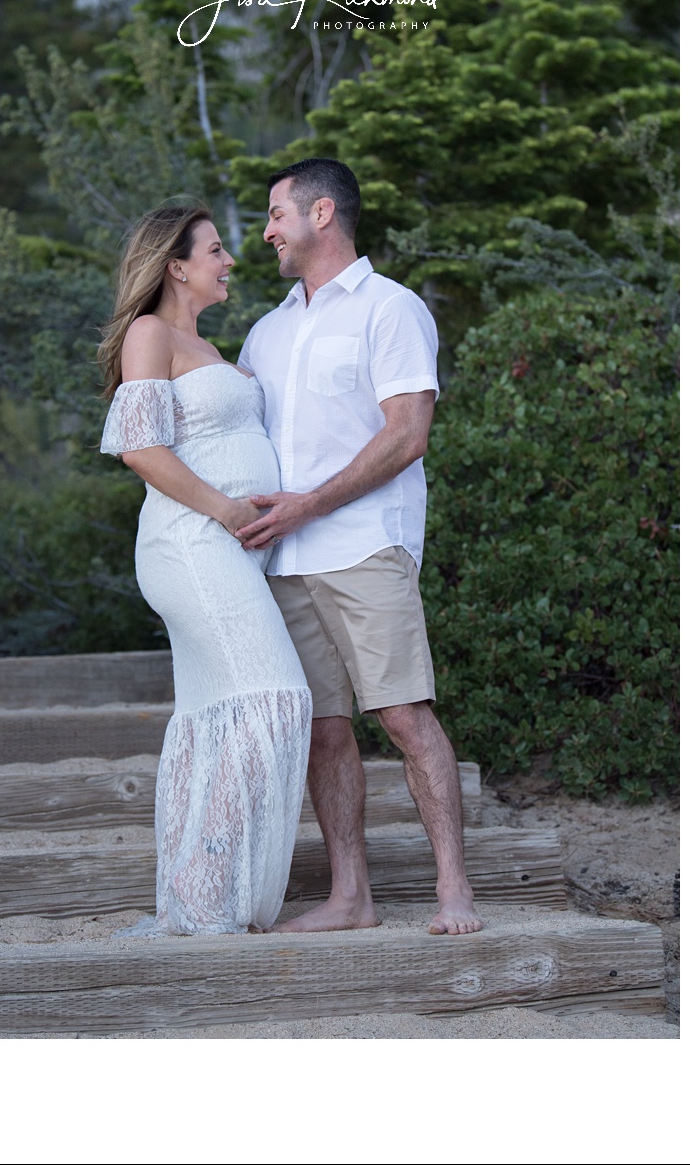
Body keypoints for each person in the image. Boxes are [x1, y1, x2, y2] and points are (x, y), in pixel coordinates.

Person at [235, 157, 482, 936]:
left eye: (277, 213)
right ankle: (352, 897)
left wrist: (310, 505)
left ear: (322, 215)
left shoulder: (390, 309)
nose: (267, 229)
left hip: (365, 546)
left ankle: (454, 891)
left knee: (404, 718)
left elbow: (407, 435)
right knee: (323, 730)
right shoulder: (267, 331)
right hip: (285, 559)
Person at [97, 203, 314, 935]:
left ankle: (196, 898)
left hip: (227, 551)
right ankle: (202, 886)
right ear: (176, 265)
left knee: (212, 715)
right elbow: (140, 448)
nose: (230, 260)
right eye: (216, 249)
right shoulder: (150, 333)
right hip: (190, 543)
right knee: (273, 695)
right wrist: (225, 510)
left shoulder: (214, 349)